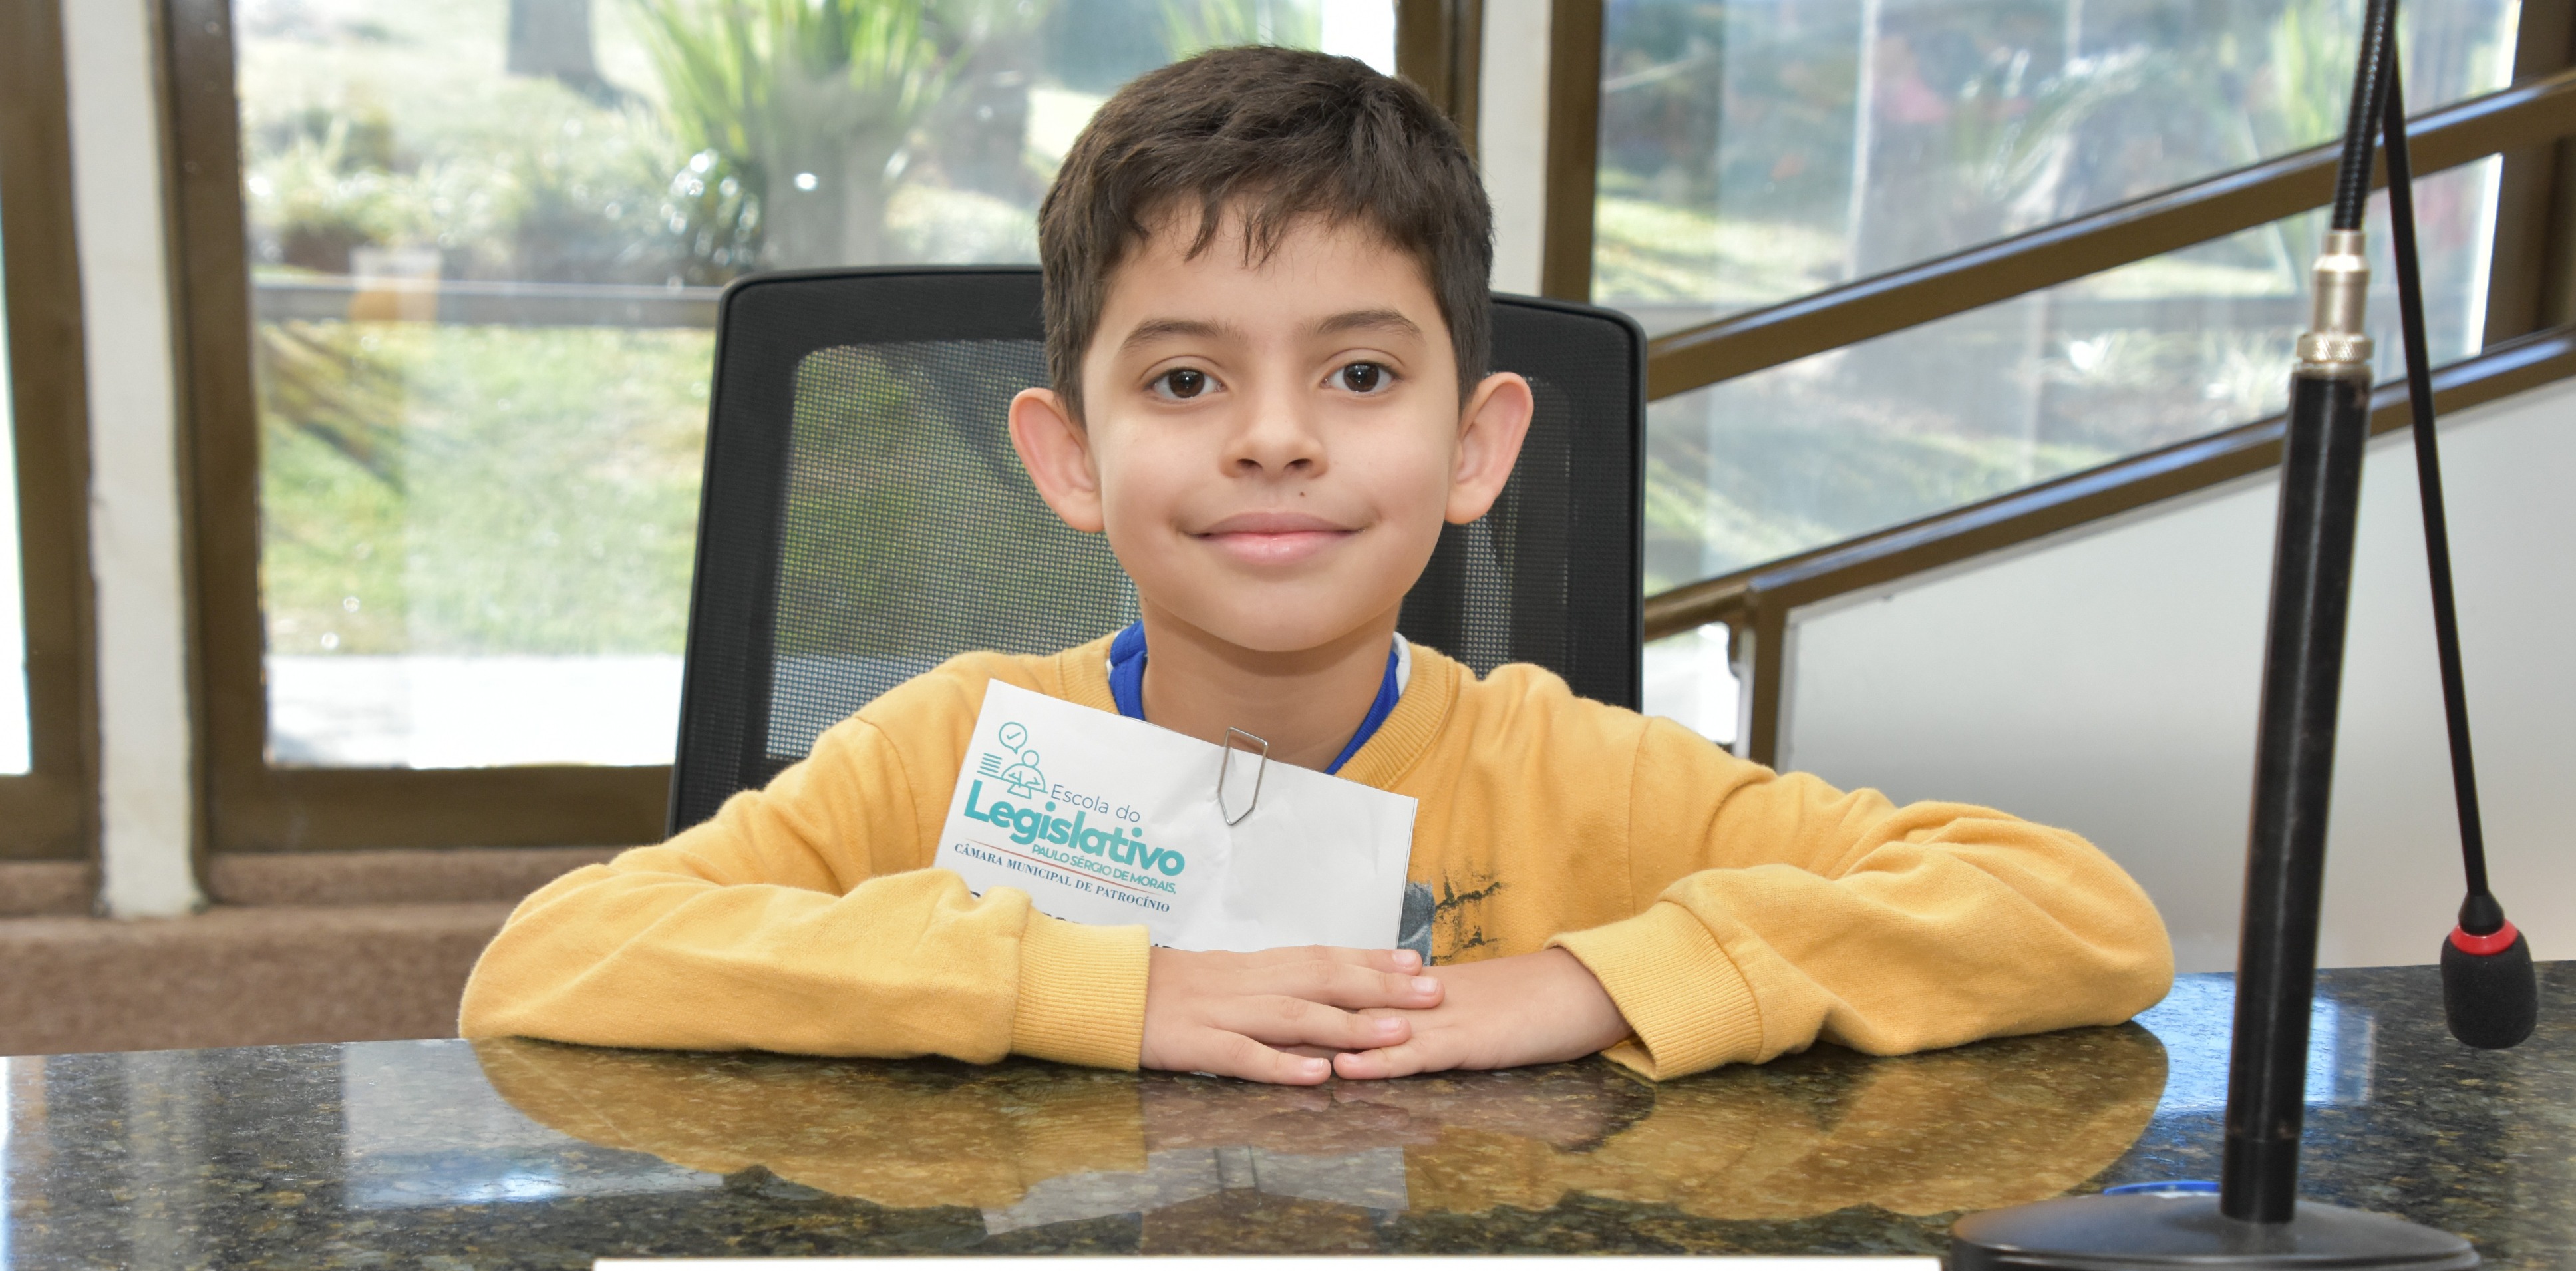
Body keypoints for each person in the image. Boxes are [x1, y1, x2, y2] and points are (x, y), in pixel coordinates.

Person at [460, 47, 2172, 1086]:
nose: (1274, 438)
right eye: (1183, 381)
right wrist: (1096, 990)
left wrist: (1586, 980)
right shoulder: (946, 747)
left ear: (1476, 447)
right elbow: (550, 964)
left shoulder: (1577, 774)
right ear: (1067, 457)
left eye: (1358, 374)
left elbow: (2075, 916)